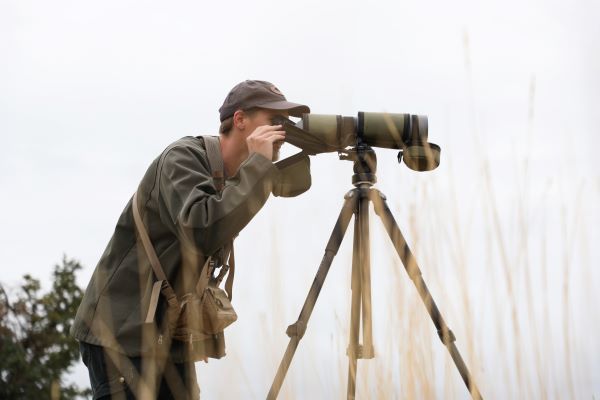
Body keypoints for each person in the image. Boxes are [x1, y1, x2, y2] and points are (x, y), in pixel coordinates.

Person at [70, 80, 311, 399]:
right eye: (273, 120)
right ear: (240, 120)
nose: (281, 131)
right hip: (120, 333)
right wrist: (259, 168)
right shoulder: (183, 157)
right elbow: (202, 229)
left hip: (165, 336)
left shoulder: (232, 177)